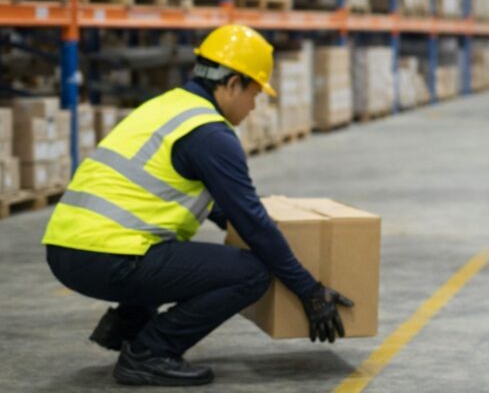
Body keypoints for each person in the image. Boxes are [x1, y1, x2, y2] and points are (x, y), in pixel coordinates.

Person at [42, 24, 354, 387]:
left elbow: (219, 209)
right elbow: (251, 222)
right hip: (108, 257)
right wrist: (309, 291)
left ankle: (128, 326)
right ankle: (150, 352)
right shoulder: (210, 134)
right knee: (250, 273)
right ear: (233, 83)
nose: (253, 106)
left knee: (178, 255)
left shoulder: (167, 107)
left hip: (68, 250)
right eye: (254, 93)